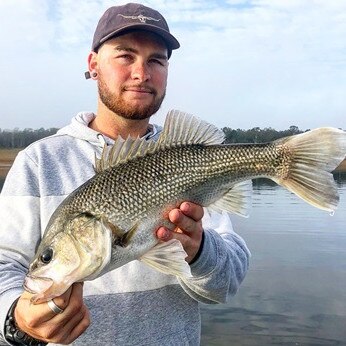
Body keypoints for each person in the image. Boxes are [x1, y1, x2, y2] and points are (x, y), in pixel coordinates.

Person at [0, 3, 250, 345]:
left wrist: (199, 249)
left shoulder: (191, 160)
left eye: (156, 60)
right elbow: (5, 266)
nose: (141, 73)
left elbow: (226, 284)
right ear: (93, 65)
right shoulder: (38, 162)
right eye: (125, 56)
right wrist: (16, 318)